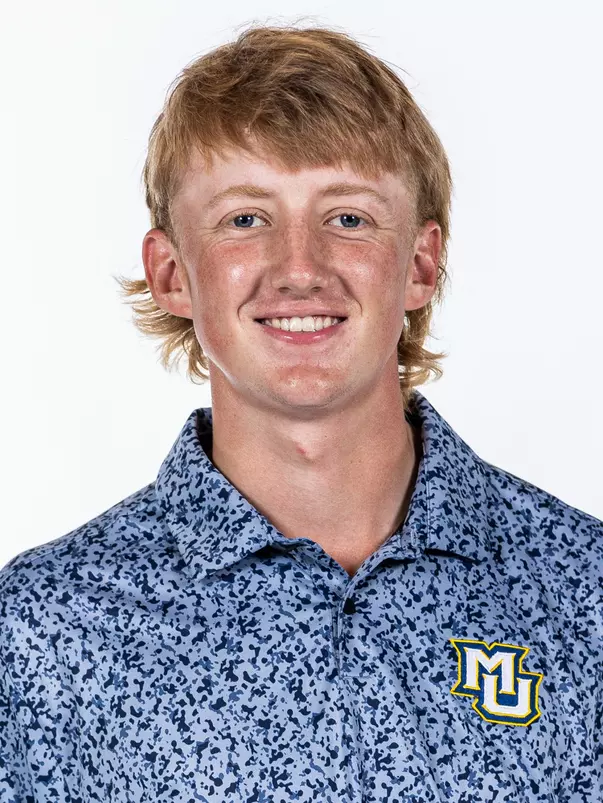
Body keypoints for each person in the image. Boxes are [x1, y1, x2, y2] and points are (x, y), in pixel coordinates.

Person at [0, 23, 601, 802]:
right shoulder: (41, 632)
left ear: (419, 263)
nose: (299, 269)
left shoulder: (582, 589)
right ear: (172, 274)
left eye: (346, 217)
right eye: (245, 219)